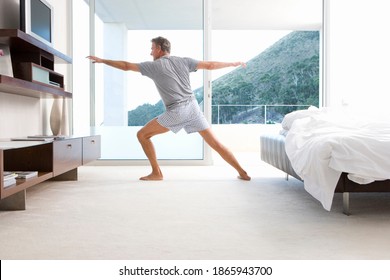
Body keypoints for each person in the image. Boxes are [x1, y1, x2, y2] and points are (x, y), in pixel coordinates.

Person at [87, 36, 251, 181]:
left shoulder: (155, 66)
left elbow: (125, 65)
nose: (150, 53)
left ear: (159, 49)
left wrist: (103, 60)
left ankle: (156, 172)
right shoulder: (184, 61)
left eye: (152, 48)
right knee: (216, 144)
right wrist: (232, 63)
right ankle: (242, 172)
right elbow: (210, 65)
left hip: (178, 110)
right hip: (193, 107)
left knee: (142, 135)